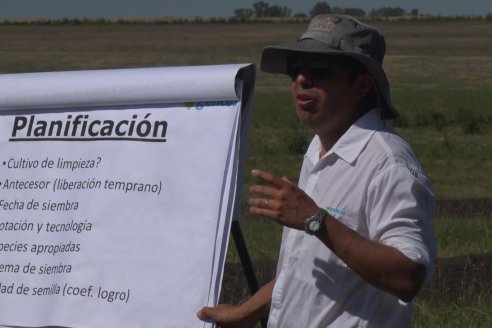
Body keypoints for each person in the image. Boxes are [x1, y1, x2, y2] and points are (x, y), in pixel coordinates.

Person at [197, 14, 436, 328]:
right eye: (295, 69)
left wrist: (314, 219)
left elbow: (408, 276)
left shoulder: (388, 164)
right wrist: (247, 312)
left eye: (319, 70)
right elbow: (307, 264)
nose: (301, 80)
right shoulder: (318, 149)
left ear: (361, 85)